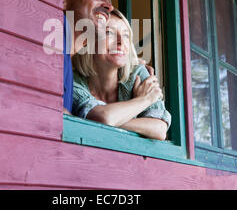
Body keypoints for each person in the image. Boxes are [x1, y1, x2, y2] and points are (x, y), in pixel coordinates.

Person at [71, 9, 171, 141]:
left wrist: (107, 120)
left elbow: (159, 129)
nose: (120, 42)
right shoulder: (74, 81)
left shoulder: (137, 74)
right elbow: (104, 118)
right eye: (109, 33)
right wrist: (144, 100)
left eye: (125, 36)